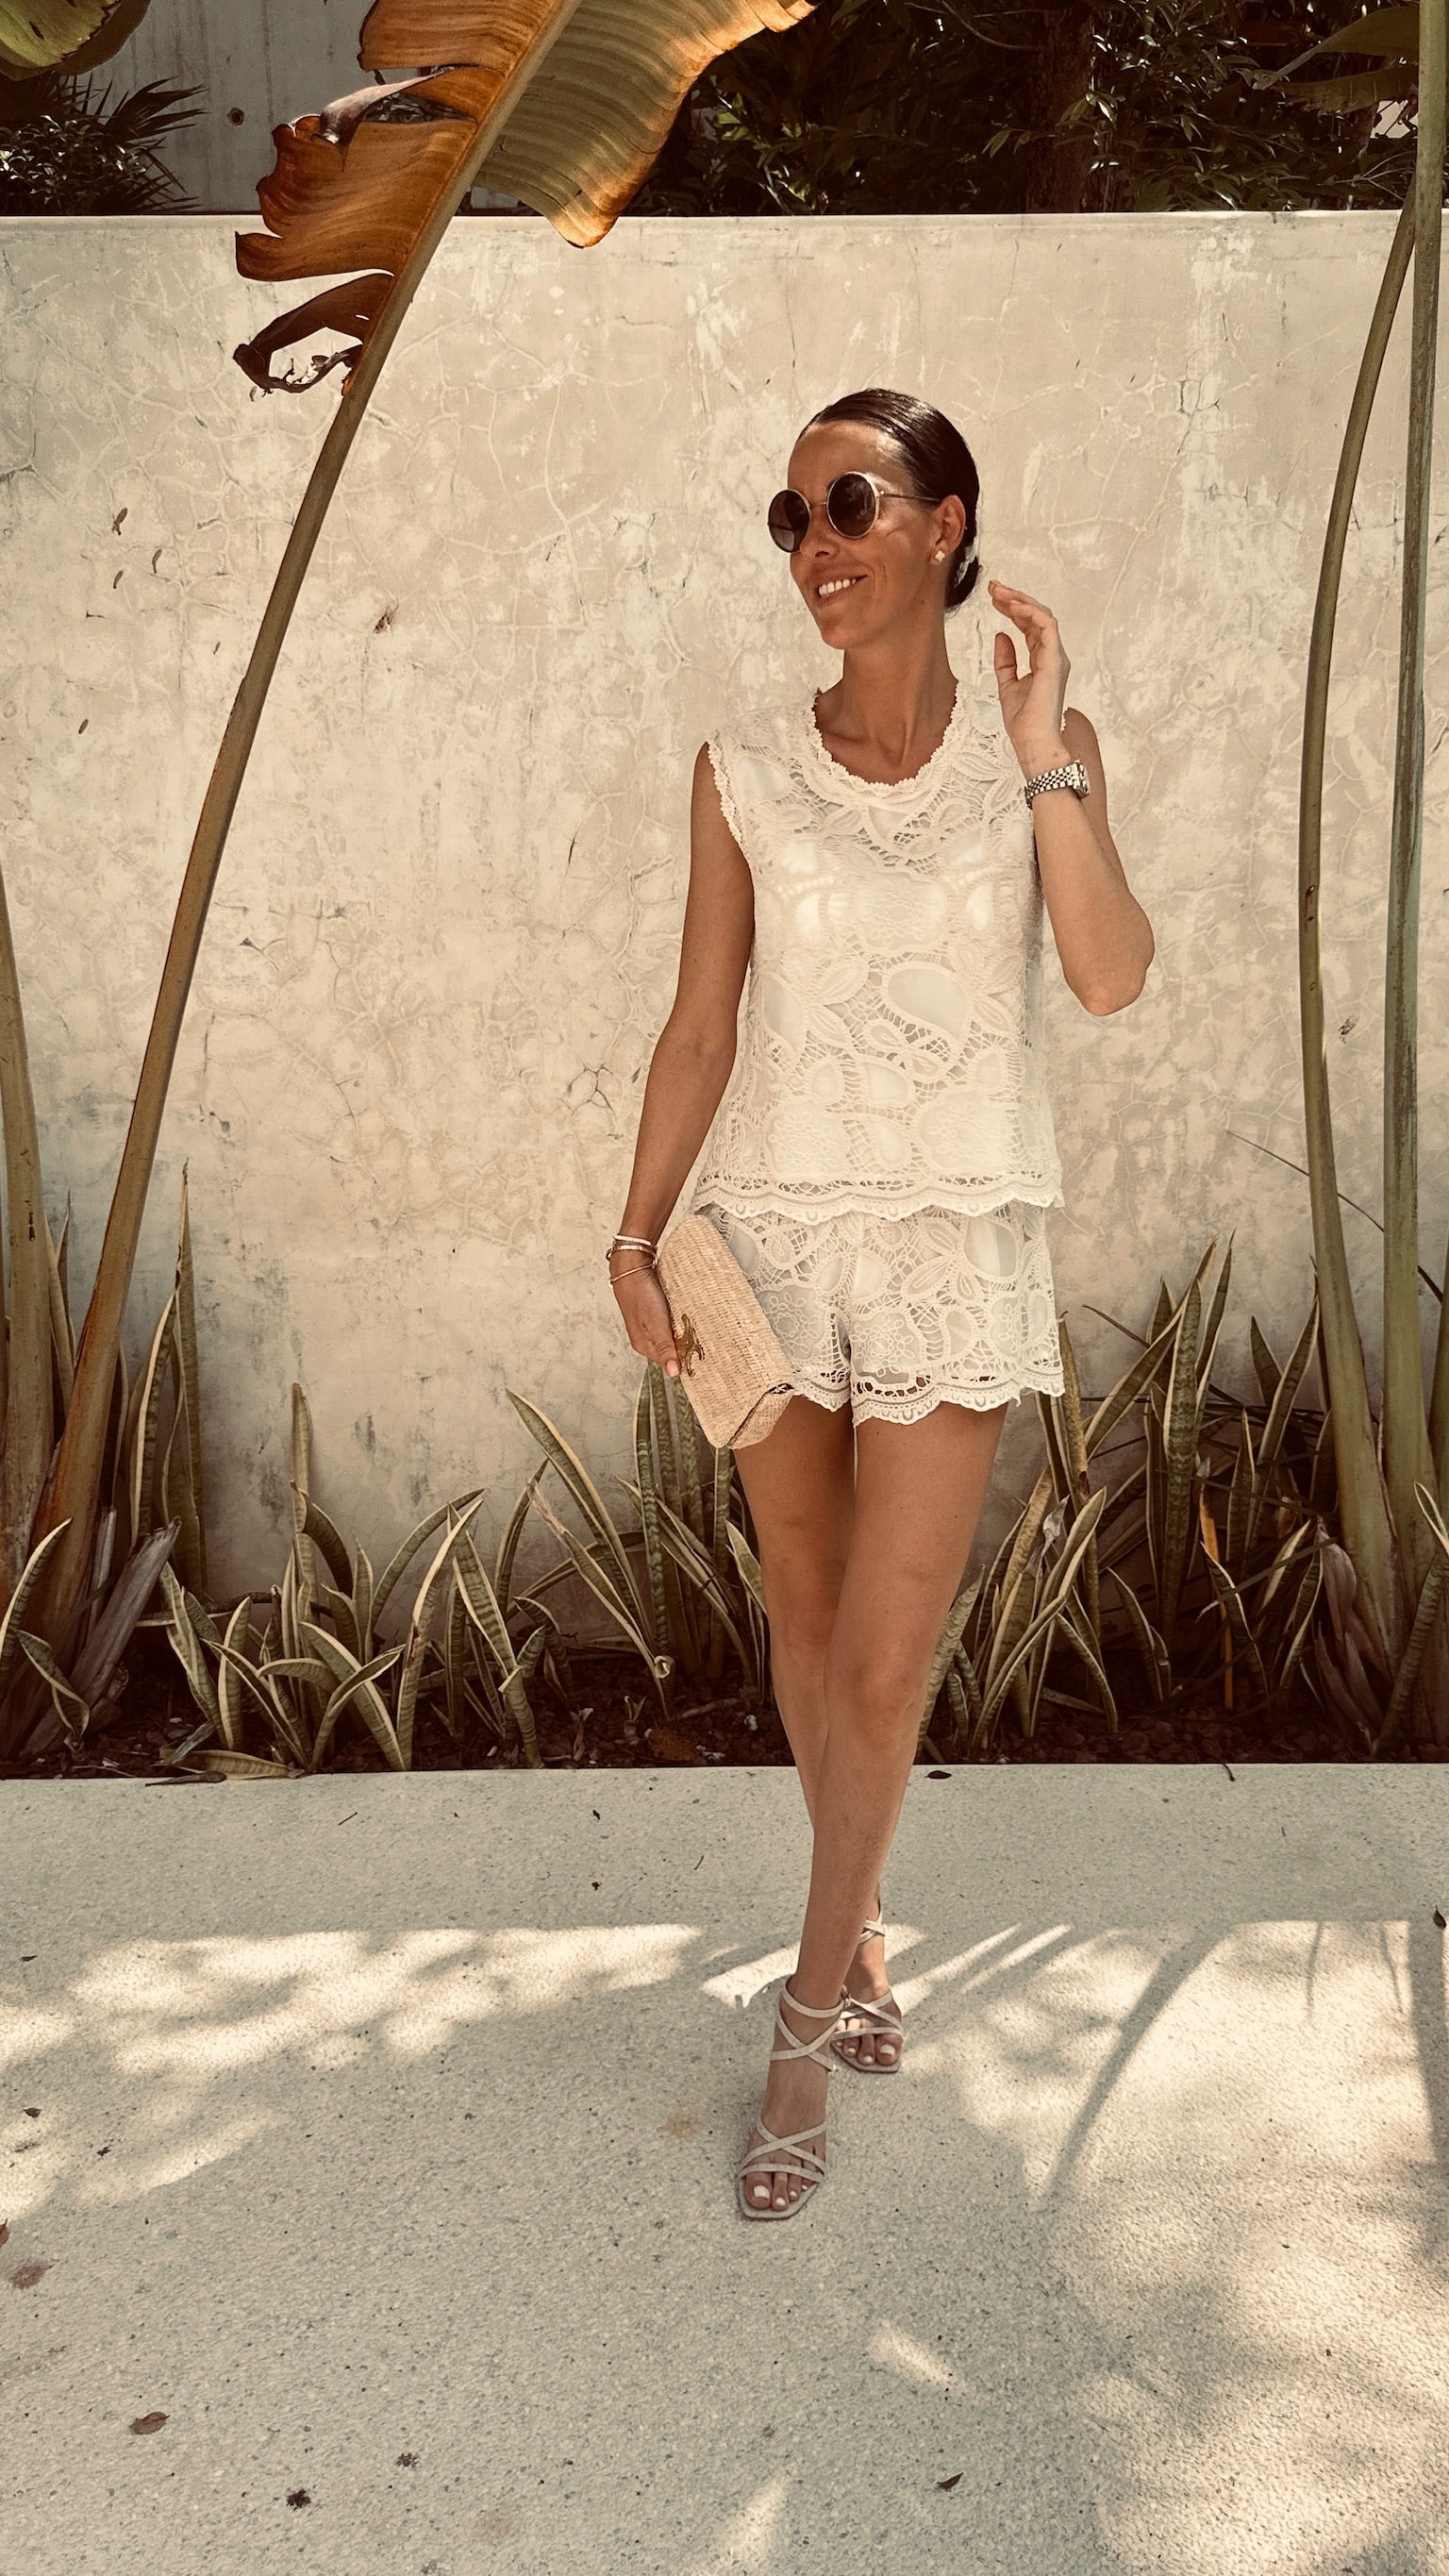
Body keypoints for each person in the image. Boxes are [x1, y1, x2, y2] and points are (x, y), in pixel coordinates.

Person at [606, 387, 1154, 2221]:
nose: (816, 548)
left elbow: (1108, 974)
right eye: (793, 518)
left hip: (949, 1244)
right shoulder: (741, 767)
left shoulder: (1042, 749)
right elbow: (703, 1023)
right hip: (767, 1242)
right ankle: (860, 1936)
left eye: (850, 504)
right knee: (808, 1615)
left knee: (888, 1658)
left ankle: (804, 2012)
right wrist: (634, 1235)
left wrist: (1045, 755)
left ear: (944, 524)